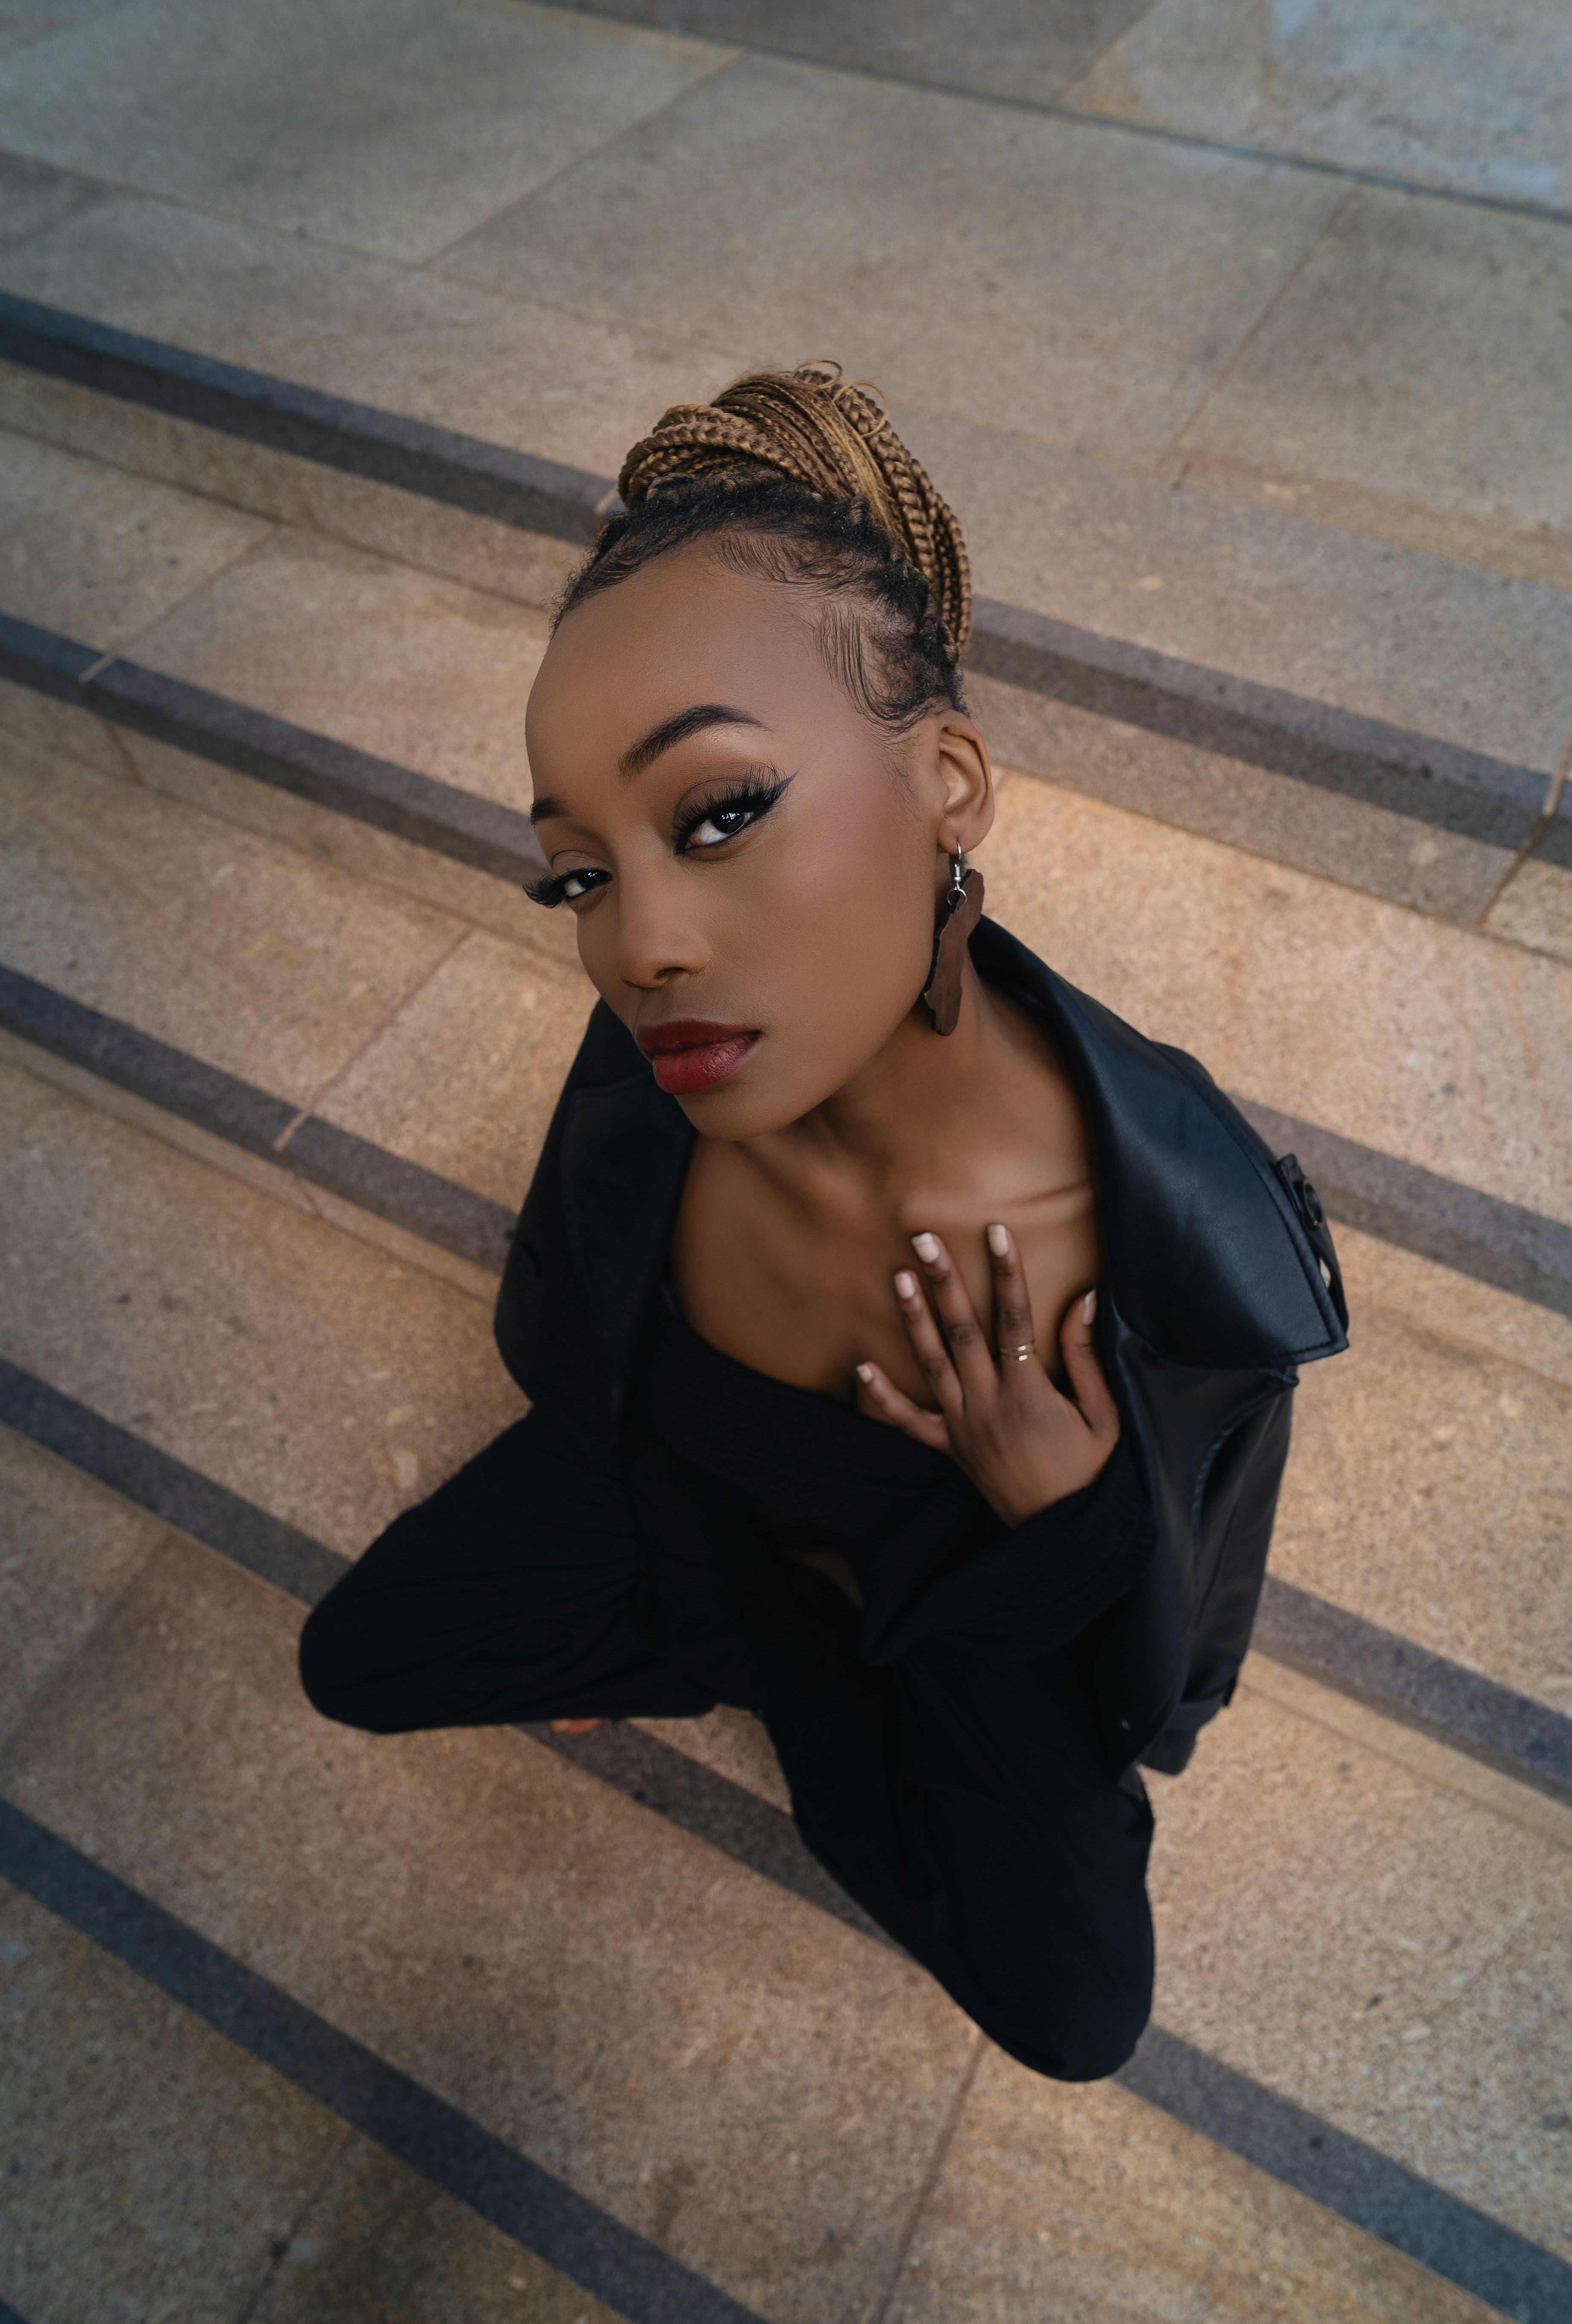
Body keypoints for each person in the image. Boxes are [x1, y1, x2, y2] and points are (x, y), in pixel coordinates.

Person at [300, 365, 1348, 2082]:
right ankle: (780, 1641)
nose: (635, 943)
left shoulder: (1161, 1234)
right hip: (684, 1493)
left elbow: (1162, 1632)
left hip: (960, 1600)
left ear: (946, 779)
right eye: (578, 869)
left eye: (717, 815)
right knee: (363, 1660)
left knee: (1075, 2015)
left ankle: (806, 1656)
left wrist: (1060, 1518)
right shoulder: (674, 1052)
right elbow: (576, 1314)